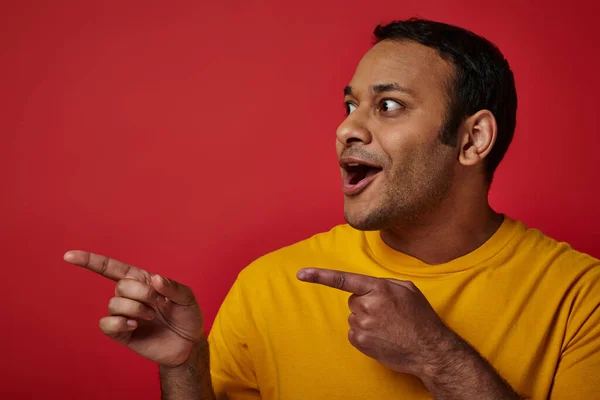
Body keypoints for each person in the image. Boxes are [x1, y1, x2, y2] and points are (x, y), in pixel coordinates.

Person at [64, 18, 600, 399]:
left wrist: (435, 355)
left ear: (472, 139)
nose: (347, 128)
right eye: (350, 105)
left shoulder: (581, 298)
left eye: (388, 106)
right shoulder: (271, 284)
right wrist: (185, 369)